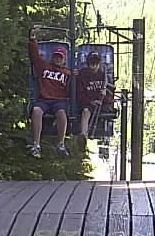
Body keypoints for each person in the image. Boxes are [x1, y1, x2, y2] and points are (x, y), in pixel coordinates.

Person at [28, 27, 71, 158]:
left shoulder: (68, 73)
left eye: (60, 57)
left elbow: (74, 88)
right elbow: (34, 56)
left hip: (59, 101)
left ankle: (61, 144)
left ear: (64, 59)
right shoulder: (44, 66)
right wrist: (33, 40)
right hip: (44, 99)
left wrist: (75, 76)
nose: (58, 59)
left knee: (62, 113)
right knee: (36, 110)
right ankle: (36, 144)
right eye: (56, 57)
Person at [77, 52, 114, 146]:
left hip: (103, 104)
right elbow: (80, 94)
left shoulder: (105, 76)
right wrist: (91, 102)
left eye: (96, 63)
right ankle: (83, 135)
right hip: (89, 104)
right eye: (91, 63)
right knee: (86, 111)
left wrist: (105, 96)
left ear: (99, 63)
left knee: (107, 110)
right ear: (88, 63)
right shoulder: (82, 75)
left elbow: (111, 97)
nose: (94, 66)